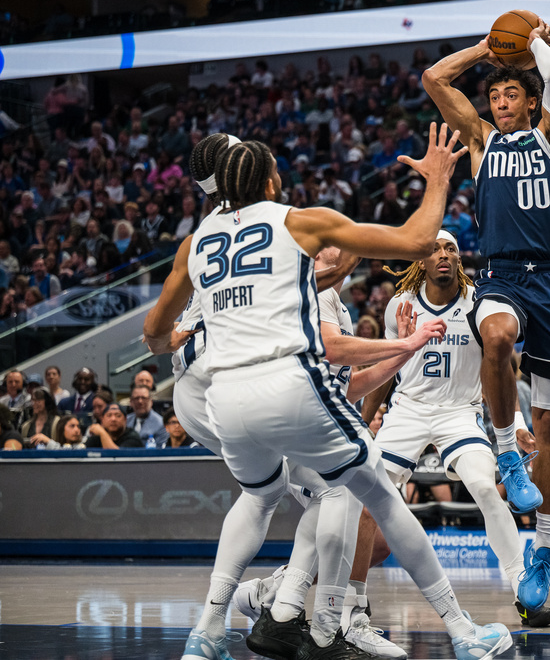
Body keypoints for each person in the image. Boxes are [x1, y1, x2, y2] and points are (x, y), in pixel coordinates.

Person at [143, 128, 512, 659]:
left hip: (221, 395)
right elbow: (414, 241)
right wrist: (437, 180)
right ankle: (461, 631)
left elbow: (155, 334)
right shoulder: (299, 221)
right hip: (287, 382)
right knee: (375, 493)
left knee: (260, 497)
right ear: (271, 179)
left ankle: (209, 630)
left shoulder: (194, 243)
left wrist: (172, 337)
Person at [424, 18, 550, 603]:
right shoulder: (482, 141)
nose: (501, 102)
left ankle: (541, 552)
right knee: (496, 340)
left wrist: (534, 43)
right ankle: (507, 452)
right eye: (495, 95)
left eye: (512, 94)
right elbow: (436, 78)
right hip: (502, 272)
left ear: (533, 102)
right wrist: (487, 49)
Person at [362, 231, 550, 625]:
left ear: (458, 259)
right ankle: (354, 594)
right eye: (433, 248)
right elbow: (383, 371)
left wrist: (516, 421)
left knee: (487, 487)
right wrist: (364, 422)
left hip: (459, 413)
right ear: (419, 260)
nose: (443, 254)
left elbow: (502, 371)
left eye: (450, 248)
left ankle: (523, 590)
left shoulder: (478, 305)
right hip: (408, 410)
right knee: (368, 495)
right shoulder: (399, 305)